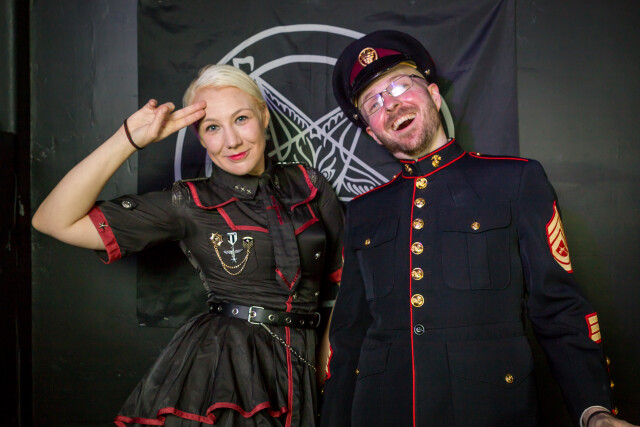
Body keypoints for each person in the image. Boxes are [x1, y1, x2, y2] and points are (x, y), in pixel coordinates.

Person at [320, 30, 635, 427]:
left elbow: (559, 310)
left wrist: (594, 410)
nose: (392, 104)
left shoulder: (515, 181)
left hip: (490, 411)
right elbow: (349, 337)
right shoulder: (364, 211)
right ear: (371, 131)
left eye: (400, 85)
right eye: (374, 103)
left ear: (434, 94)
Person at [32, 64, 344, 426]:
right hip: (226, 370)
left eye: (241, 119)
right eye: (213, 127)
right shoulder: (189, 203)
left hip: (302, 361)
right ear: (200, 137)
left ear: (263, 115)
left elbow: (349, 278)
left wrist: (327, 348)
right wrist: (128, 139)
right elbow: (52, 220)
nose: (231, 140)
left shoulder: (309, 185)